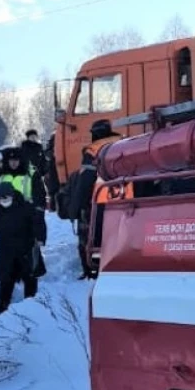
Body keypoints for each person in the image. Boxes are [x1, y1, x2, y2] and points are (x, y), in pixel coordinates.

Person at [0, 181, 43, 314]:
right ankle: (2, 313)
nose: (3, 201)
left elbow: (37, 223)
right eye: (0, 199)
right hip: (7, 253)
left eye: (6, 198)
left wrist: (40, 239)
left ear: (12, 196)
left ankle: (32, 311)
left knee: (30, 281)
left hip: (26, 251)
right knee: (5, 283)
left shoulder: (25, 206)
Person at [74, 118, 122, 280]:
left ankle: (95, 271)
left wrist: (78, 206)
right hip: (125, 199)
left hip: (100, 202)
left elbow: (85, 181)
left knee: (94, 237)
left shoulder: (93, 151)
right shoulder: (124, 143)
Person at [0, 146, 47, 279]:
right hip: (9, 216)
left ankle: (33, 272)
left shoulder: (31, 173)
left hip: (27, 216)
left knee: (29, 246)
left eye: (16, 160)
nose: (13, 163)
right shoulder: (2, 174)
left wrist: (38, 215)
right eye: (11, 160)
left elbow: (40, 195)